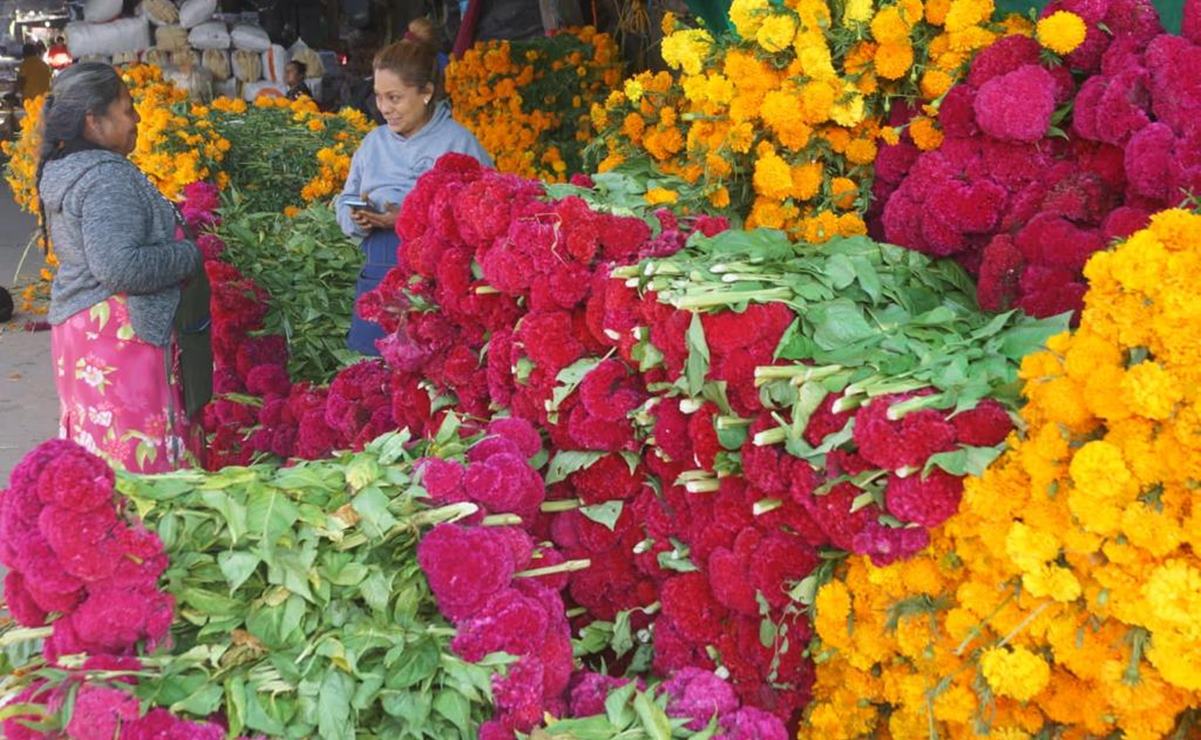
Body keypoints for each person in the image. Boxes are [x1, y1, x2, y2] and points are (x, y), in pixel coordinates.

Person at [38, 63, 209, 472]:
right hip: (120, 339)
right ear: (93, 121)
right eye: (127, 109)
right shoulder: (105, 179)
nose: (136, 119)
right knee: (143, 472)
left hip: (86, 330)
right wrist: (190, 254)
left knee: (102, 460)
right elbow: (120, 267)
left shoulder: (68, 169)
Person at [336, 36, 490, 355]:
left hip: (439, 280)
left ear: (426, 93)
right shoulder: (372, 144)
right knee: (373, 374)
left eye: (395, 97)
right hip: (380, 267)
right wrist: (357, 218)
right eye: (379, 97)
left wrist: (408, 219)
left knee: (427, 374)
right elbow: (345, 202)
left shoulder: (459, 143)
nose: (384, 109)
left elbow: (484, 216)